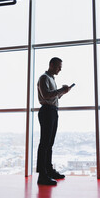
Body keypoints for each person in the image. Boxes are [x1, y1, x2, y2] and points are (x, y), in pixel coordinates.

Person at [36, 57, 71, 185]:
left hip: (53, 111)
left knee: (49, 143)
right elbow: (46, 95)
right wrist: (61, 90)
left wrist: (63, 92)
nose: (60, 69)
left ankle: (48, 170)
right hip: (47, 111)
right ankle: (42, 175)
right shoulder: (44, 78)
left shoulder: (51, 79)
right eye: (58, 67)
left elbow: (53, 96)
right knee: (45, 143)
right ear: (51, 65)